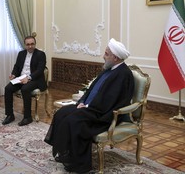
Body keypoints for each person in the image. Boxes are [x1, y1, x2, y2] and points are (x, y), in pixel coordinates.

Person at [44, 38, 134, 173]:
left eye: (106, 54)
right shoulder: (108, 69)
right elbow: (91, 90)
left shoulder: (124, 74)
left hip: (103, 114)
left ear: (115, 57)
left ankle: (79, 163)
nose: (103, 56)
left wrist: (87, 107)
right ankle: (66, 153)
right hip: (90, 107)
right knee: (61, 113)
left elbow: (110, 101)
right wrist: (81, 102)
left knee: (73, 121)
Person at [2, 36, 47, 126]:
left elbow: (40, 70)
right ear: (25, 45)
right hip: (21, 78)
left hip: (35, 79)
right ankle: (10, 115)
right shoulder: (21, 53)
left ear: (35, 44)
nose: (30, 46)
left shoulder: (40, 54)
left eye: (32, 44)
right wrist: (14, 74)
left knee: (25, 89)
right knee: (8, 88)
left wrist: (29, 78)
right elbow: (17, 66)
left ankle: (27, 117)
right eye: (28, 44)